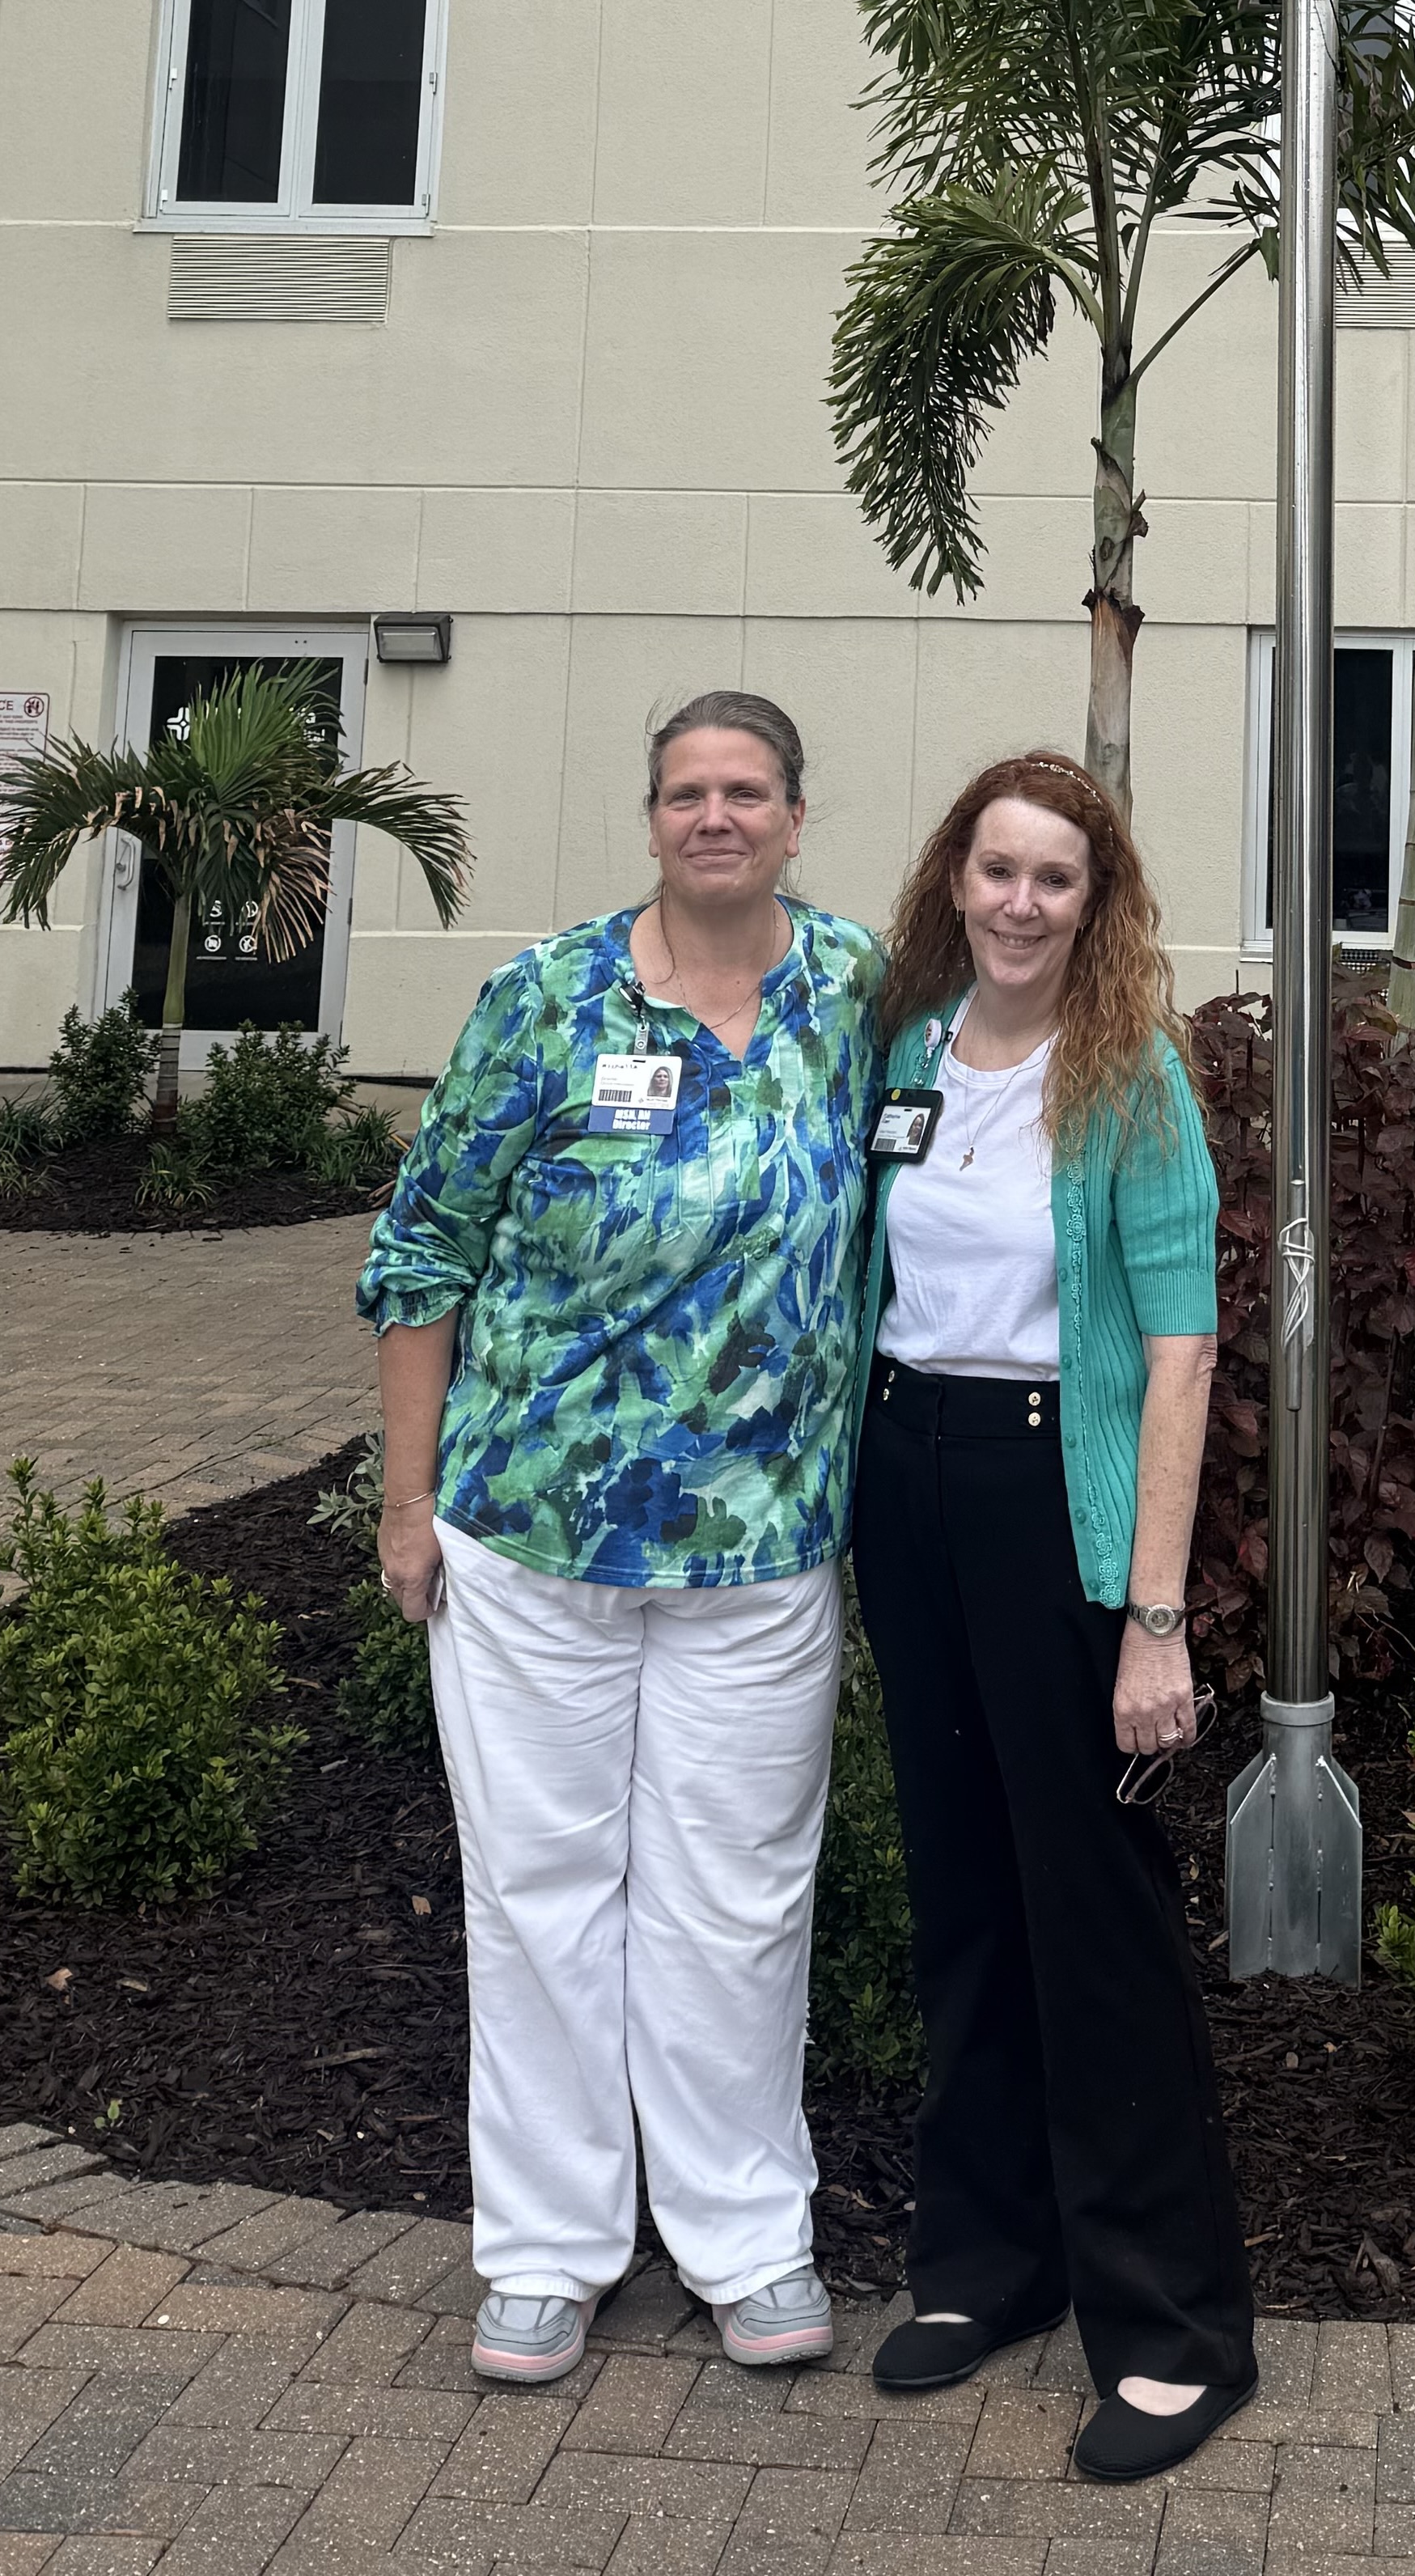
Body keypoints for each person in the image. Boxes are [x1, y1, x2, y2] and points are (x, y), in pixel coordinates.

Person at [359, 690, 884, 2393]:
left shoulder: (860, 997)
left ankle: (747, 2240)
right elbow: (425, 1250)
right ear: (652, 819)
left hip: (762, 1553)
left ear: (797, 818)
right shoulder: (547, 997)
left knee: (736, 1909)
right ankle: (546, 2252)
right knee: (539, 1900)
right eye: (685, 792)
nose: (715, 816)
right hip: (528, 1537)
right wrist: (406, 1502)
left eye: (746, 791)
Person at [846, 750, 1257, 2481]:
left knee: (1090, 1912)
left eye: (1056, 880)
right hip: (907, 1479)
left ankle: (1172, 2330)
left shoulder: (1130, 1081)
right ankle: (988, 2266)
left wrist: (1152, 1618)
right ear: (957, 879)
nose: (1021, 903)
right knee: (962, 1892)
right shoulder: (904, 1055)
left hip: (1050, 1510)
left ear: (1098, 906)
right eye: (997, 870)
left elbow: (1181, 1350)